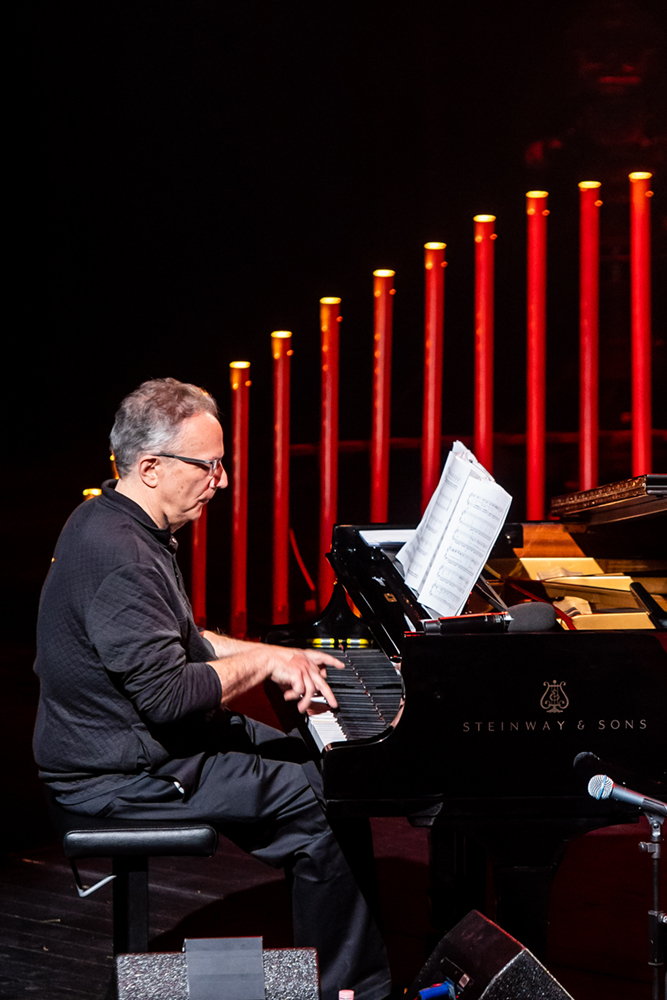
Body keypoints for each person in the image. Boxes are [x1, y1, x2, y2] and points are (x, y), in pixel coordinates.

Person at [33, 378, 391, 1000]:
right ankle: (351, 988)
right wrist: (264, 669)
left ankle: (342, 970)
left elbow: (184, 641)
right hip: (118, 772)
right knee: (318, 806)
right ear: (150, 467)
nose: (221, 481)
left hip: (142, 744)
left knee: (322, 767)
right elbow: (170, 695)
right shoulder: (119, 555)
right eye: (209, 465)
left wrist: (276, 655)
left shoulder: (111, 516)